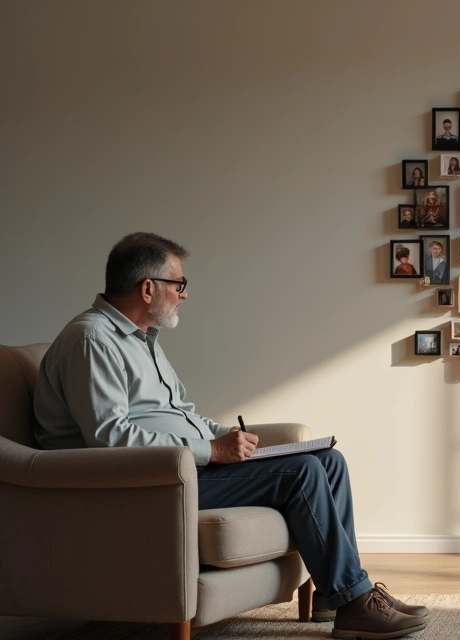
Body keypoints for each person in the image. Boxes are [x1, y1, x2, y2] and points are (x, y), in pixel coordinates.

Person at [32, 233, 430, 637]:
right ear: (148, 288)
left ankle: (338, 595)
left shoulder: (143, 340)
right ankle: (354, 600)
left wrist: (227, 436)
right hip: (147, 485)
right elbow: (110, 439)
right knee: (301, 473)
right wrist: (210, 450)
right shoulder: (93, 340)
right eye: (179, 284)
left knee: (329, 462)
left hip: (181, 470)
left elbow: (180, 412)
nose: (184, 295)